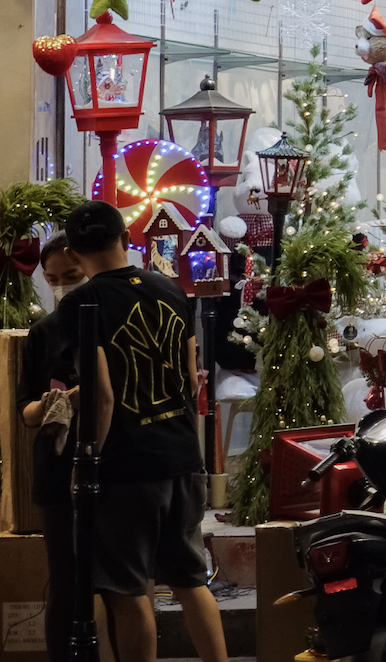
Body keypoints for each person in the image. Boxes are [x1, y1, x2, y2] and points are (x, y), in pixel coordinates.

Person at [55, 202, 225, 662]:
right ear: (124, 235)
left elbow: (102, 395)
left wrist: (85, 461)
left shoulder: (81, 303)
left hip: (126, 467)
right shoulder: (169, 288)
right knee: (190, 581)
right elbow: (192, 380)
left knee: (128, 590)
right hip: (182, 456)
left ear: (73, 253)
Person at [16, 237, 86, 662]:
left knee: (118, 587)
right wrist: (50, 404)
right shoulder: (43, 332)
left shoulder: (112, 322)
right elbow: (24, 412)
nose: (62, 287)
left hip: (111, 469)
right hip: (57, 469)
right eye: (53, 280)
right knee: (64, 582)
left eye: (72, 277)